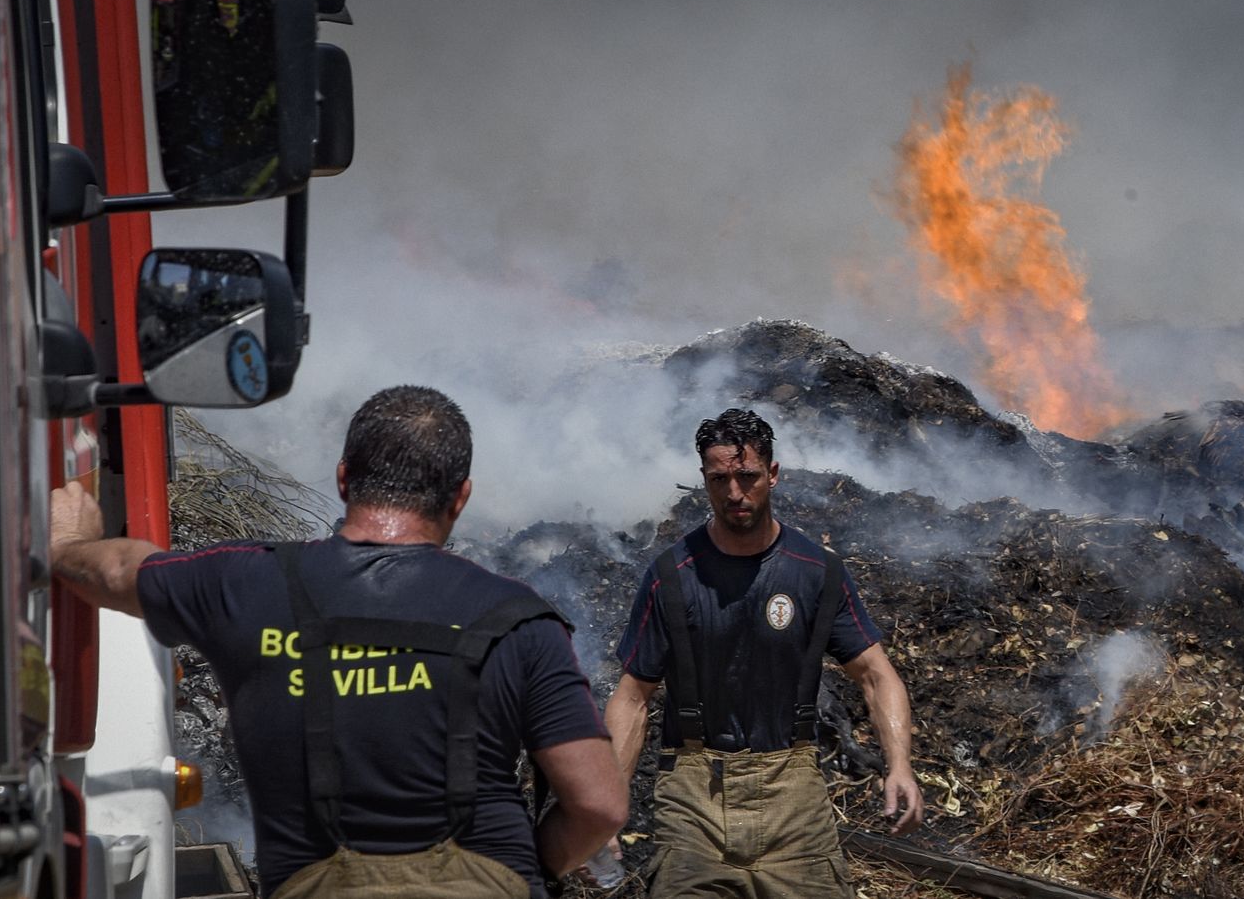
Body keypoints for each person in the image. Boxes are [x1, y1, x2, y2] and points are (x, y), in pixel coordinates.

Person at [50, 385, 625, 899]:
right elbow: (599, 805)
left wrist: (64, 546)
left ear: (344, 478)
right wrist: (530, 866)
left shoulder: (248, 582)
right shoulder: (520, 618)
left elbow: (122, 571)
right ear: (461, 496)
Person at [603, 408, 924, 898]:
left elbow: (876, 675)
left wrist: (898, 766)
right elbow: (632, 698)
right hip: (694, 799)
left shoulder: (816, 572)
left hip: (794, 795)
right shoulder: (672, 576)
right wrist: (608, 805)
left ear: (772, 474)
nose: (734, 493)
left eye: (747, 476)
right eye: (719, 479)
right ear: (704, 479)